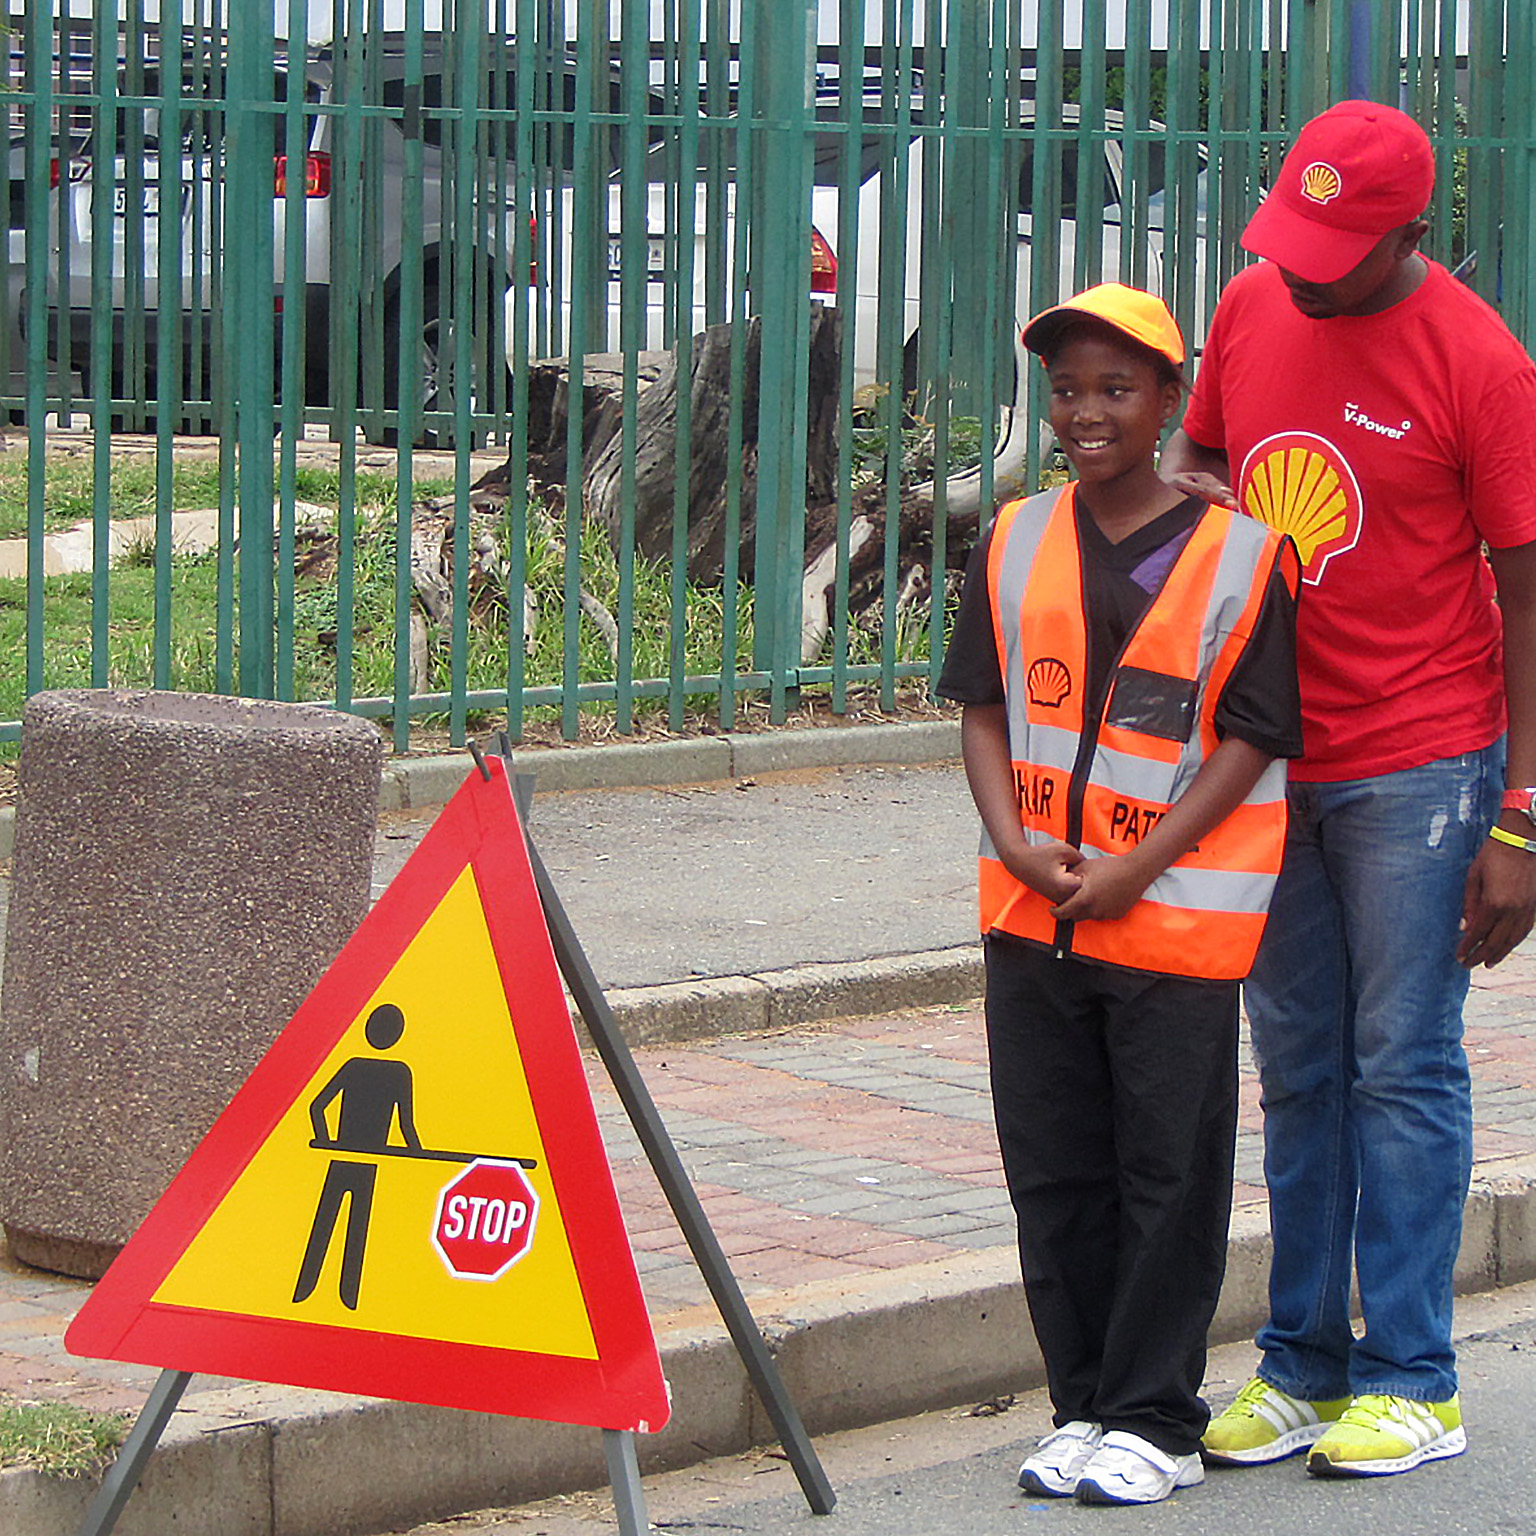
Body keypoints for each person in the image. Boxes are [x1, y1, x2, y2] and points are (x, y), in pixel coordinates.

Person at [1162, 99, 1536, 1479]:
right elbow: (1200, 452)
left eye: (1339, 247)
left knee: (1403, 1062)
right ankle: (1302, 1364)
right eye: (1294, 237)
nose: (1305, 268)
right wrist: (1204, 498)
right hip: (1270, 754)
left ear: (1414, 234)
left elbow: (1527, 587)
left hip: (1425, 763)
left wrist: (1523, 815)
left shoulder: (1481, 361)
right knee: (1299, 1065)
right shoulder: (1256, 303)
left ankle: (1416, 1379)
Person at [938, 283, 1302, 1505]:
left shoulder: (1244, 556)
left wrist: (1137, 867)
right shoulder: (1016, 536)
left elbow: (1251, 737)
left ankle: (1156, 1415)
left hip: (1177, 920)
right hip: (1030, 915)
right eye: (1067, 390)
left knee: (1168, 1172)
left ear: (1168, 402)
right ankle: (1081, 1402)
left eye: (1117, 388)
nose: (1086, 413)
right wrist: (1015, 842)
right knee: (1054, 1168)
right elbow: (984, 708)